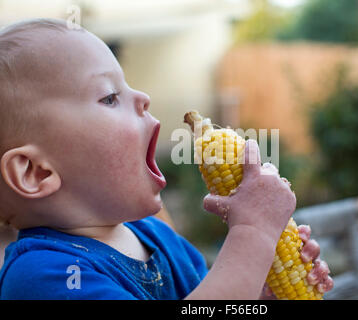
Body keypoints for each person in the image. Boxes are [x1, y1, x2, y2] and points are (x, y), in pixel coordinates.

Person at [0, 18, 332, 299]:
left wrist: (261, 289)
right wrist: (253, 235)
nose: (143, 97)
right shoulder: (44, 276)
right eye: (110, 97)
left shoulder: (160, 238)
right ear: (36, 172)